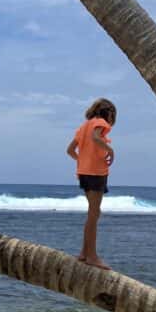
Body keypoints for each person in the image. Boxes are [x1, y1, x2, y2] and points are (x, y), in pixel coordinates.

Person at [66, 98, 116, 270]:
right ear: (108, 112)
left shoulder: (83, 127)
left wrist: (83, 161)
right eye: (112, 115)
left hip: (83, 174)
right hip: (96, 174)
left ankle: (84, 253)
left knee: (93, 213)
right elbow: (96, 137)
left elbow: (70, 150)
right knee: (94, 215)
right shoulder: (100, 122)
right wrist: (110, 150)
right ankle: (92, 256)